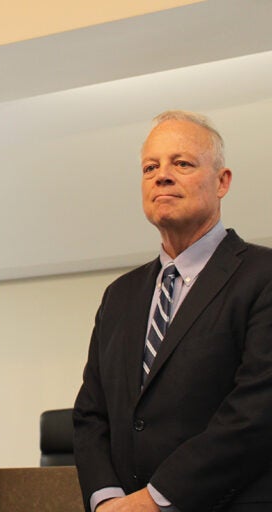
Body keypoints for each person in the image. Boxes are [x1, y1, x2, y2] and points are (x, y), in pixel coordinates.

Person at [73, 110, 272, 511]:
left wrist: (155, 499)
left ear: (222, 182)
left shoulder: (263, 276)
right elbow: (91, 414)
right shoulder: (118, 296)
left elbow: (255, 412)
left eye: (181, 163)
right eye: (150, 167)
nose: (162, 175)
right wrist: (108, 499)